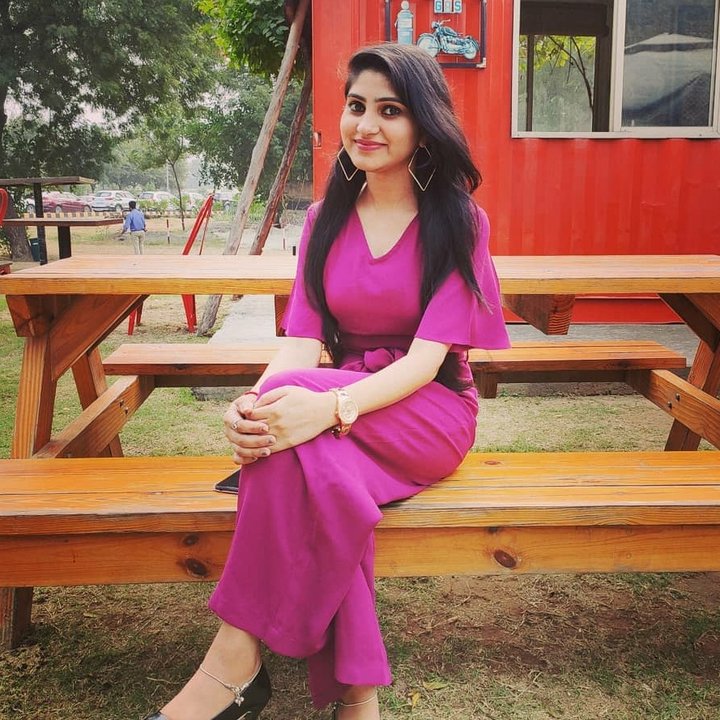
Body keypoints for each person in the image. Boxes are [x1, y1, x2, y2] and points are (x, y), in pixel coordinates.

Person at [144, 42, 510, 720]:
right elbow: (302, 342)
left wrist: (332, 405)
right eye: (356, 106)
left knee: (301, 425)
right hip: (339, 402)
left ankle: (232, 661)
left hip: (427, 408)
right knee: (323, 476)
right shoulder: (323, 220)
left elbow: (423, 363)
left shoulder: (459, 221)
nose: (366, 125)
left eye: (390, 110)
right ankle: (358, 699)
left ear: (424, 123)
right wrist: (252, 403)